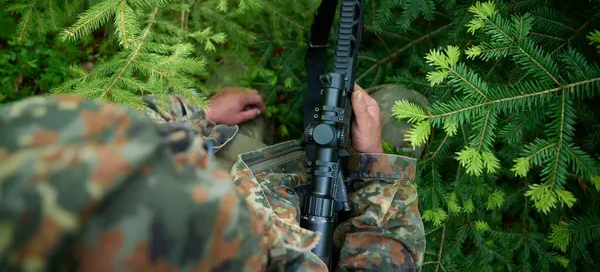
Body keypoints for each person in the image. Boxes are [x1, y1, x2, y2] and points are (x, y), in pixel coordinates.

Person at [0, 83, 426, 271]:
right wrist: (374, 162)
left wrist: (202, 115)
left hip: (247, 171)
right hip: (298, 218)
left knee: (243, 100)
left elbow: (136, 130)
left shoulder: (25, 162)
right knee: (395, 111)